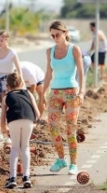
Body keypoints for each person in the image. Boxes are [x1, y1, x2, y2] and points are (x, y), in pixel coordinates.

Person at [40, 20, 84, 175]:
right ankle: (61, 159)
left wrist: (82, 91)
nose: (54, 37)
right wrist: (42, 94)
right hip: (55, 93)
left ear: (65, 33)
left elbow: (81, 71)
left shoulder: (74, 50)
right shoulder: (49, 51)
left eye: (57, 34)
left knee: (70, 129)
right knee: (52, 126)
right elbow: (48, 74)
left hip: (72, 92)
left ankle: (74, 164)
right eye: (52, 35)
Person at [0, 72, 40, 189]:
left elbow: (2, 118)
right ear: (22, 83)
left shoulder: (6, 97)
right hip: (28, 120)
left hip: (13, 120)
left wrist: (5, 129)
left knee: (15, 148)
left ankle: (12, 178)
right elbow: (37, 113)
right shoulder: (28, 93)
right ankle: (26, 177)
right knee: (25, 147)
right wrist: (34, 124)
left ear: (8, 86)